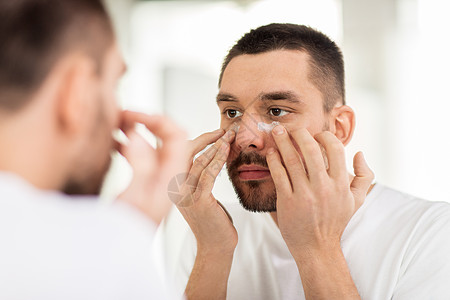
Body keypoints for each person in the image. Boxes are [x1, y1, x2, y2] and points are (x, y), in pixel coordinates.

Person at [159, 23, 450, 299]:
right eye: (232, 112)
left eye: (276, 111)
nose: (246, 138)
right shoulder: (211, 231)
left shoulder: (430, 233)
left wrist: (316, 247)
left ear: (339, 128)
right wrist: (213, 249)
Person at [0, 0, 187, 299]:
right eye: (114, 84)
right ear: (78, 92)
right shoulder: (101, 264)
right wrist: (122, 241)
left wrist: (128, 227)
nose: (118, 112)